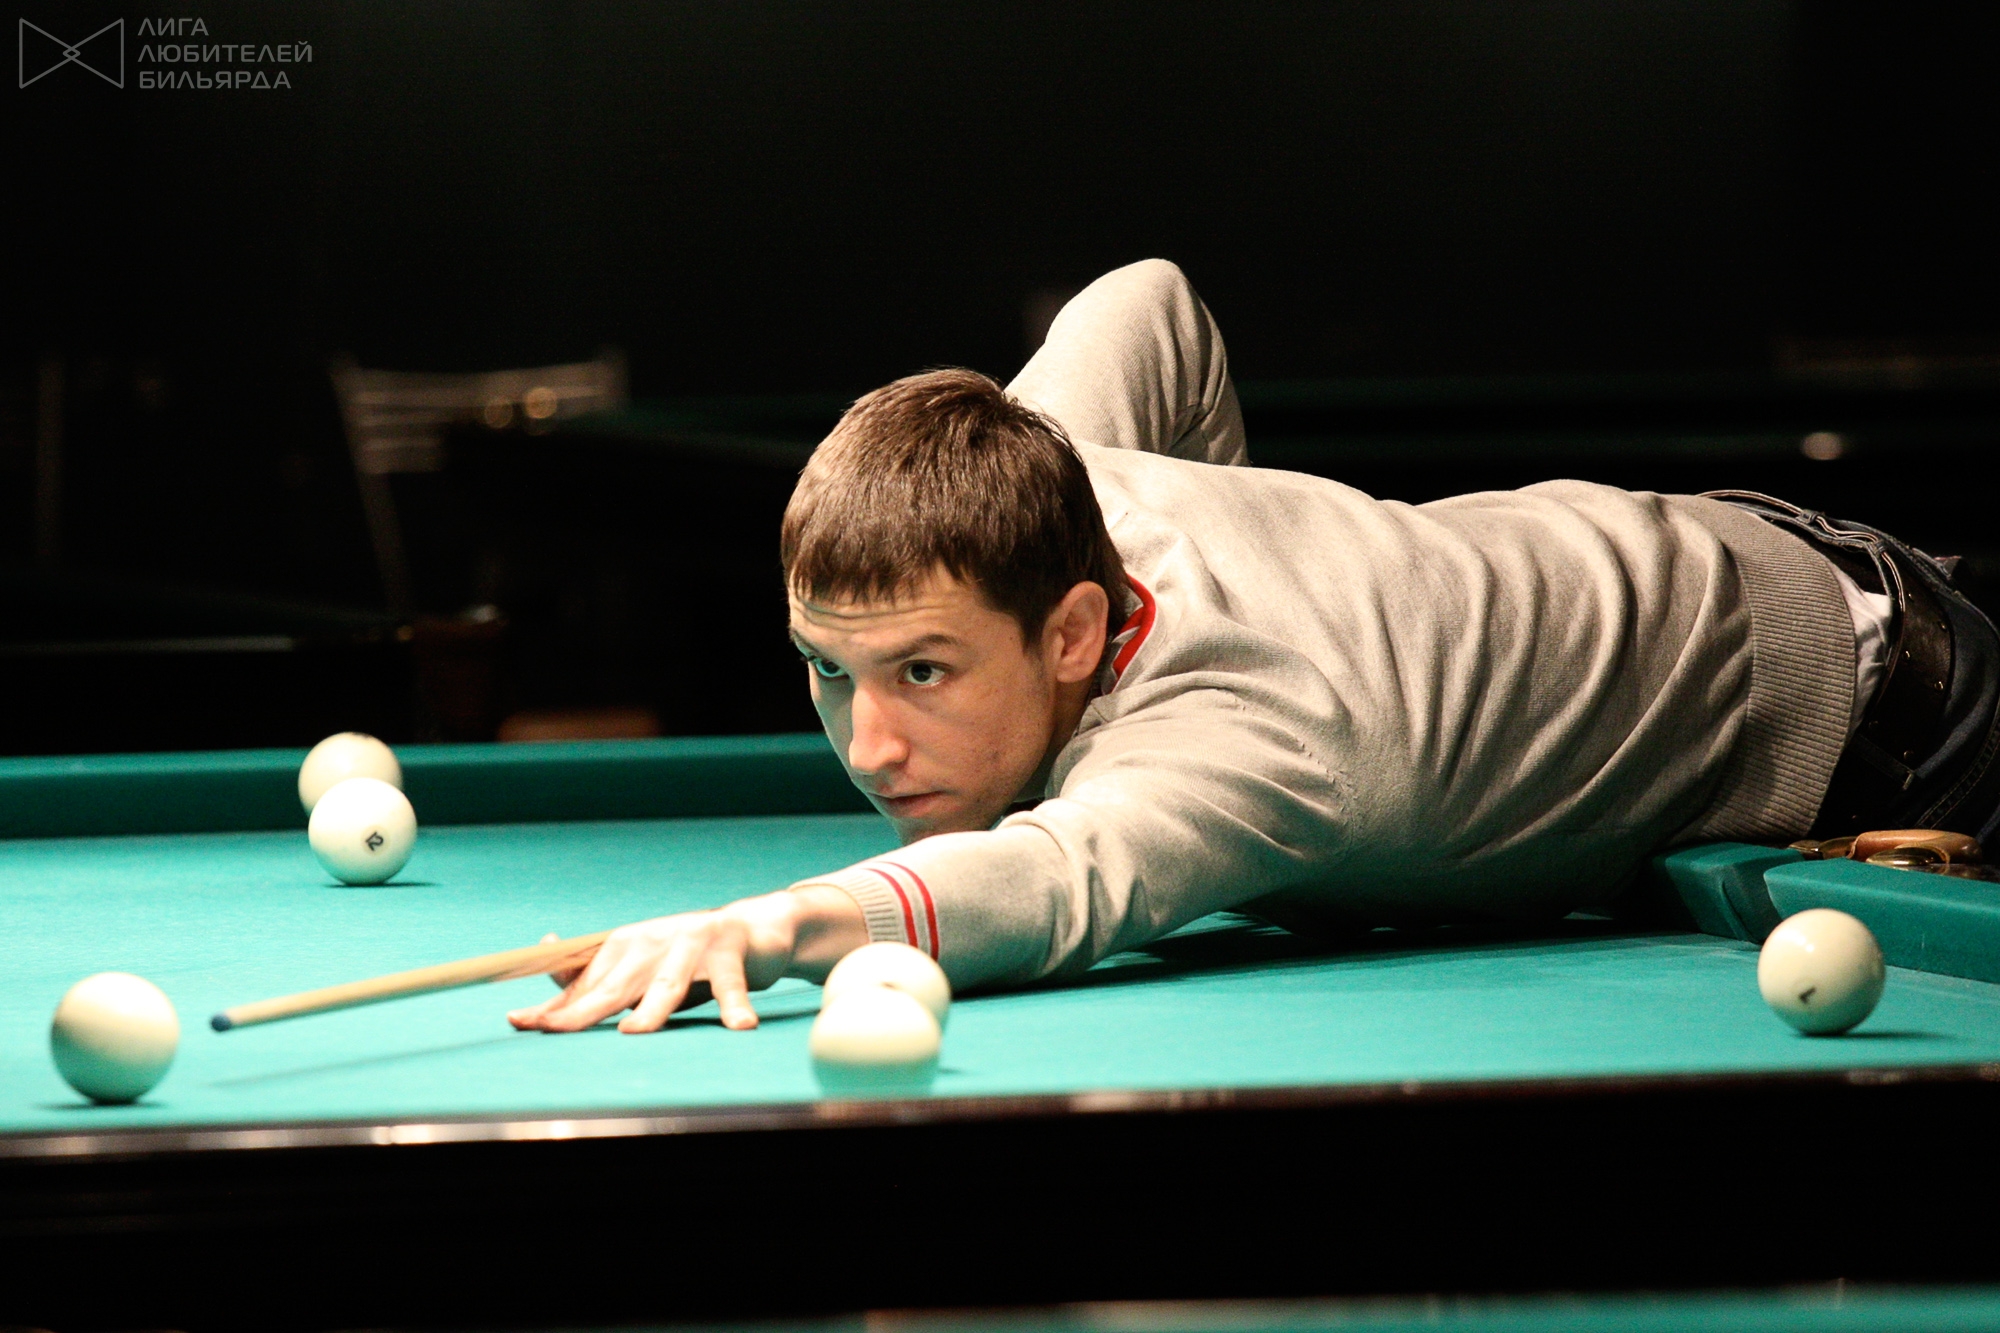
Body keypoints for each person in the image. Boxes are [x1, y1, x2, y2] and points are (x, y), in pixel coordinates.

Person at [507, 260, 2000, 1036]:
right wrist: (1264, 528)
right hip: (1704, 567)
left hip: (1893, 696)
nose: (870, 744)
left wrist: (775, 927)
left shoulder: (1258, 736)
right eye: (829, 670)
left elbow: (1057, 880)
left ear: (1075, 630)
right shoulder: (1050, 486)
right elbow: (1149, 300)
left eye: (925, 672)